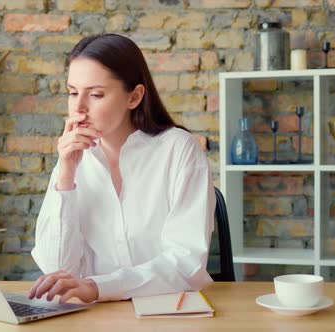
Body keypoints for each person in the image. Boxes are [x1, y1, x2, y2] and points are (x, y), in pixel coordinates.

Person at [28, 33, 215, 304]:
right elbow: (57, 269)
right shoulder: (74, 157)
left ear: (135, 96)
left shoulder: (178, 150)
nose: (78, 108)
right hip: (94, 317)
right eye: (72, 93)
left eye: (95, 94)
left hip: (169, 312)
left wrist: (97, 287)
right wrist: (66, 177)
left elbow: (185, 265)